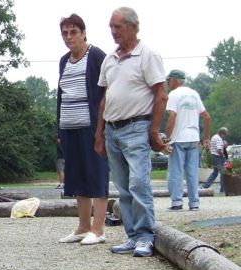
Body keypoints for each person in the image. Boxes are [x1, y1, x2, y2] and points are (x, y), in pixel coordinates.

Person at [94, 7, 168, 257]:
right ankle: (132, 235)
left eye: (118, 27)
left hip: (137, 126)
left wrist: (154, 130)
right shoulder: (110, 59)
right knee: (123, 186)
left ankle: (146, 235)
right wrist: (99, 134)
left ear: (134, 27)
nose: (113, 32)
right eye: (111, 27)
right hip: (113, 129)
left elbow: (161, 94)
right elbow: (105, 98)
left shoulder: (147, 55)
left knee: (138, 182)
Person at [56, 14, 109, 246]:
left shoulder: (96, 55)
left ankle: (98, 229)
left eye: (73, 32)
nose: (69, 37)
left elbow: (108, 89)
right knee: (76, 176)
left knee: (96, 173)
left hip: (92, 125)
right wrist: (59, 125)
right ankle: (83, 225)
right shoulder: (63, 60)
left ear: (84, 32)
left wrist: (102, 126)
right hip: (69, 126)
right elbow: (61, 93)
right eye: (65, 33)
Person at [164, 69, 212, 211]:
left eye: (169, 80)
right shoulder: (194, 94)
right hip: (193, 138)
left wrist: (167, 138)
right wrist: (206, 138)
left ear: (174, 80)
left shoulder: (173, 95)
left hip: (178, 138)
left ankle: (177, 203)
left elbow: (172, 117)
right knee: (192, 172)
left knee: (176, 171)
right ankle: (194, 203)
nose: (168, 83)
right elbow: (207, 117)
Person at [202, 127, 228, 193]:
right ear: (222, 133)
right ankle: (223, 189)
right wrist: (223, 156)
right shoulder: (219, 139)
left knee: (215, 173)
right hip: (218, 157)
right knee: (223, 173)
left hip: (214, 156)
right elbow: (219, 150)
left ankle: (205, 186)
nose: (224, 136)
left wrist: (223, 145)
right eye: (225, 134)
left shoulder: (214, 137)